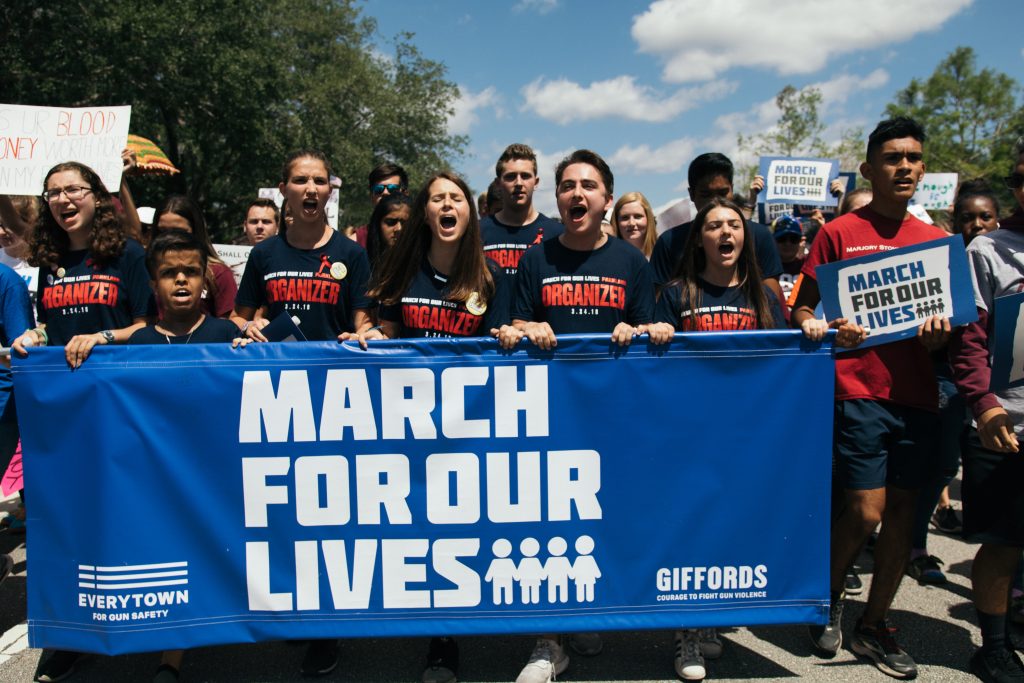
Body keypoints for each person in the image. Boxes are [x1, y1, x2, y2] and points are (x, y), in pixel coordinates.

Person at [496, 149, 671, 683]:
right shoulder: (536, 258)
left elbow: (649, 330)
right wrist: (525, 329)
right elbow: (508, 328)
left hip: (613, 418)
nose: (577, 194)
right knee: (550, 525)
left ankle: (588, 612)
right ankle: (549, 640)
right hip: (550, 417)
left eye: (588, 186)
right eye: (568, 185)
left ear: (606, 200)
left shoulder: (631, 263)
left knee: (600, 522)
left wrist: (642, 332)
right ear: (558, 198)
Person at [790, 117, 950, 680]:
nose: (904, 166)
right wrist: (827, 328)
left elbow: (953, 331)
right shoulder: (839, 232)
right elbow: (801, 310)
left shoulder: (936, 243)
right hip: (856, 391)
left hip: (918, 396)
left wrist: (940, 336)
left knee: (904, 517)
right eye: (891, 157)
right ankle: (828, 597)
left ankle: (874, 624)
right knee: (866, 509)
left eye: (912, 157)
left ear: (923, 168)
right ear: (869, 168)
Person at [353, 172, 510, 683]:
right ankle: (435, 633)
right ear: (425, 213)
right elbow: (382, 330)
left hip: (469, 429)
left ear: (470, 213)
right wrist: (370, 333)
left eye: (456, 198)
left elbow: (503, 345)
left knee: (461, 529)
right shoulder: (402, 272)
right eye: (437, 198)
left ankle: (459, 629)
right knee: (421, 529)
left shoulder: (489, 277)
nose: (446, 204)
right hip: (410, 426)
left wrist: (512, 331)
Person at [10, 161, 155, 681]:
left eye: (75, 189)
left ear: (98, 196)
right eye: (54, 193)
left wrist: (103, 339)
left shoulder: (129, 254)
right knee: (63, 523)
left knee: (118, 516)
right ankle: (69, 633)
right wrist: (35, 336)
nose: (64, 200)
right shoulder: (49, 261)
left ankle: (136, 621)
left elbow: (150, 325)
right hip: (61, 415)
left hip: (116, 410)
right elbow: (53, 323)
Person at [233, 151, 372, 676]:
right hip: (277, 404)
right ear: (283, 190)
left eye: (319, 181)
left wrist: (361, 335)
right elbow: (238, 316)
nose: (311, 189)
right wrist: (245, 328)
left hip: (337, 401)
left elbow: (362, 321)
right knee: (288, 513)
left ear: (330, 190)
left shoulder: (350, 254)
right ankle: (296, 609)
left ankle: (329, 626)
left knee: (332, 511)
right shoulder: (264, 253)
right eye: (300, 181)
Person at [653, 198, 782, 680]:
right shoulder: (674, 295)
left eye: (734, 225)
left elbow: (784, 365)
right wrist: (656, 331)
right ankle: (684, 633)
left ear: (744, 236)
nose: (725, 233)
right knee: (689, 531)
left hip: (744, 440)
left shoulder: (765, 299)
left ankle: (709, 621)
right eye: (714, 226)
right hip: (687, 439)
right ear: (699, 238)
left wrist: (811, 329)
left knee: (727, 531)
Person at [949, 157, 1024, 682]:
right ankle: (993, 646)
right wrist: (985, 403)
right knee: (1005, 541)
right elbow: (969, 339)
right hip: (1007, 423)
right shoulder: (987, 250)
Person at [907, 179, 1002, 588]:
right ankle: (916, 546)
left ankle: (1004, 566)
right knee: (944, 466)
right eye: (967, 218)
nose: (977, 225)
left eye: (985, 217)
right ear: (954, 222)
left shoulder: (1006, 263)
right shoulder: (938, 266)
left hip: (999, 385)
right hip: (946, 380)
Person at [650, 153, 782, 300]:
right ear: (692, 194)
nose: (715, 201)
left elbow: (771, 303)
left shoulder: (760, 236)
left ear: (732, 189)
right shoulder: (668, 242)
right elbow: (658, 300)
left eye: (723, 193)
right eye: (706, 194)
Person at [480, 143, 563, 277]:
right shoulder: (478, 232)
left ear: (536, 182)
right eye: (510, 176)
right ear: (498, 183)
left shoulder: (557, 234)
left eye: (525, 176)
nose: (518, 183)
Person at [153, 195, 237, 319]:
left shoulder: (218, 273)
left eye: (179, 231)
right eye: (163, 231)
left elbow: (229, 324)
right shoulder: (144, 271)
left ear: (196, 230)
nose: (170, 238)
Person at [354, 162, 409, 247]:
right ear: (371, 196)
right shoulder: (356, 242)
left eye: (393, 189)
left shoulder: (421, 238)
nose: (385, 193)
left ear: (405, 194)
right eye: (378, 189)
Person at [365, 194, 412, 269]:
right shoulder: (363, 262)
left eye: (405, 223)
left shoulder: (424, 265)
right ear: (378, 224)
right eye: (391, 222)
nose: (399, 228)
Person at [611, 191, 658, 259]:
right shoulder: (609, 258)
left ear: (648, 219)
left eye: (638, 216)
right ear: (616, 222)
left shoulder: (663, 254)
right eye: (625, 217)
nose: (632, 223)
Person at [771, 214, 804, 309]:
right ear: (773, 240)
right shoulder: (763, 268)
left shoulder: (808, 266)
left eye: (793, 239)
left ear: (800, 241)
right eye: (782, 239)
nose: (788, 243)